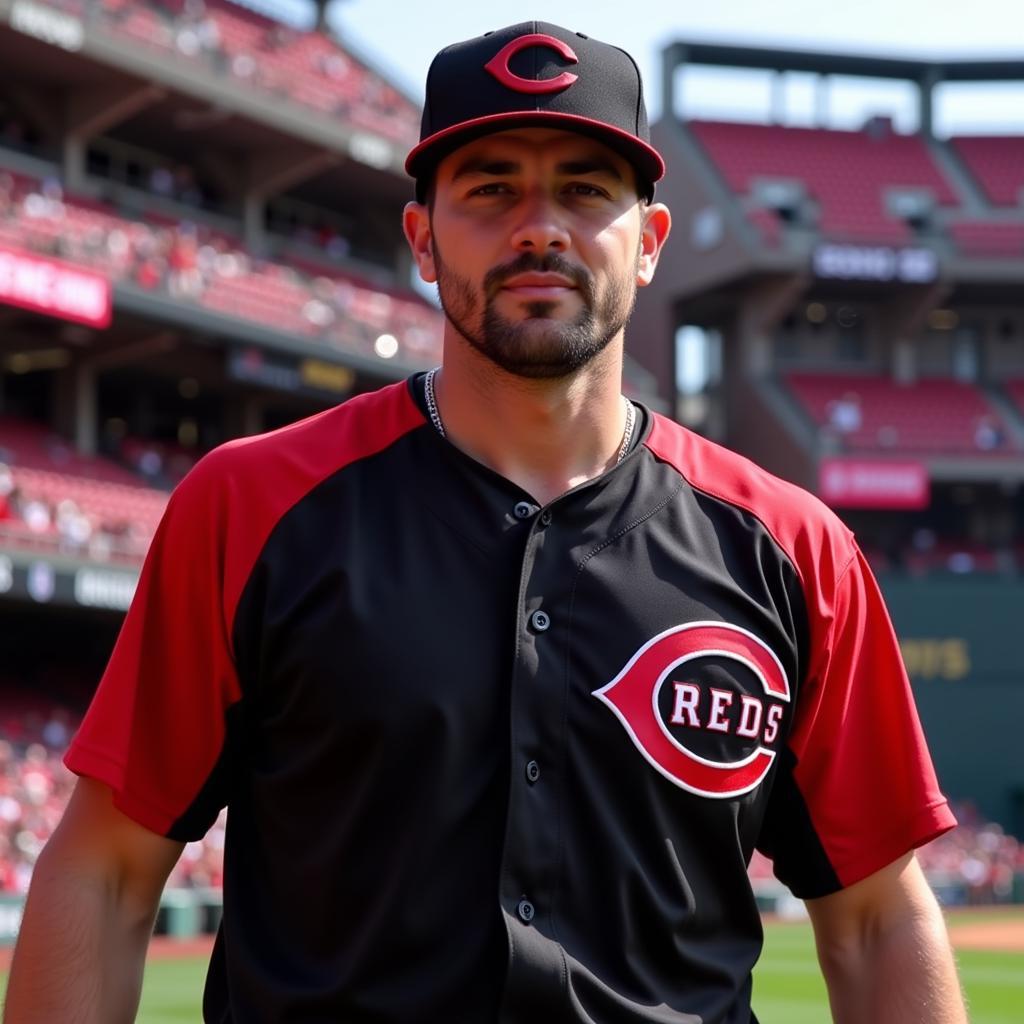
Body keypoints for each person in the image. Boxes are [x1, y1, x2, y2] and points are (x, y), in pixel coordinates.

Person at [4, 22, 966, 1024]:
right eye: (490, 187)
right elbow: (104, 873)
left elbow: (875, 919)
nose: (539, 227)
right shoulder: (248, 505)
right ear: (421, 239)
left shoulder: (795, 549)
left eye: (587, 189)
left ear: (648, 244)